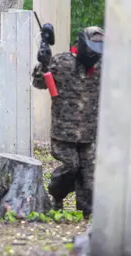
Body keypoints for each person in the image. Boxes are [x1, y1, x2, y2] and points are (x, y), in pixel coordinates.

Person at [32, 26, 103, 217]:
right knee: (71, 167)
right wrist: (43, 63)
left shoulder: (101, 68)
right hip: (64, 132)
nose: (95, 56)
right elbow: (39, 83)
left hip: (90, 134)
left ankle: (86, 209)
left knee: (89, 176)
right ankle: (56, 196)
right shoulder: (62, 62)